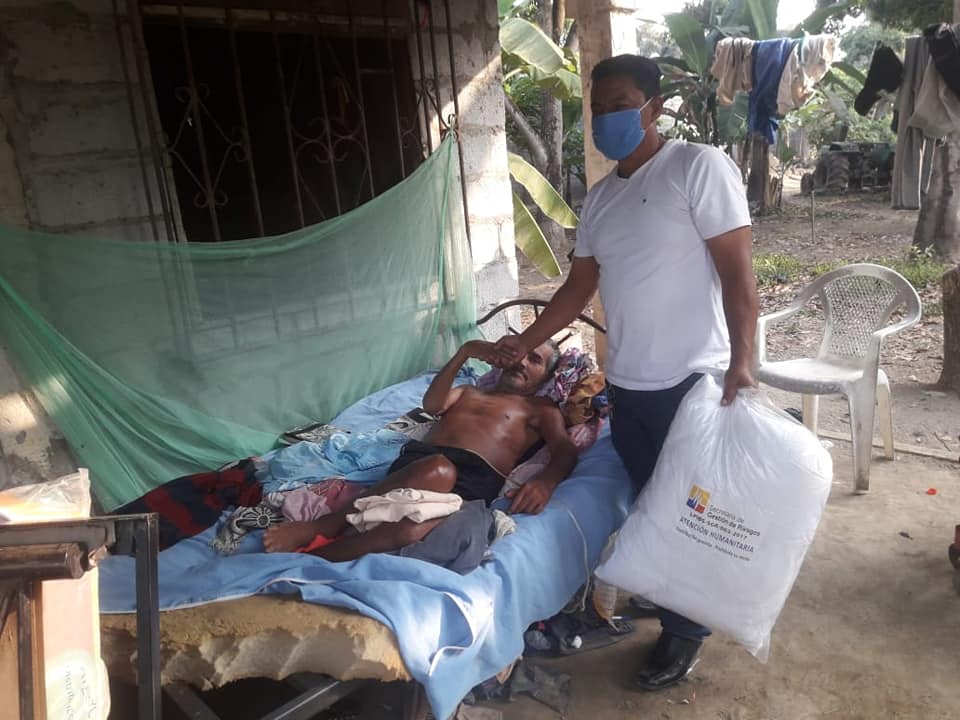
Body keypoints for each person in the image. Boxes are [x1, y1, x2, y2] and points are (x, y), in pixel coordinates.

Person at [493, 55, 759, 691]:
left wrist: (743, 362)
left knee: (688, 507)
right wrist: (525, 340)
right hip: (629, 384)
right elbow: (575, 290)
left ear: (654, 107)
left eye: (620, 105)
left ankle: (685, 633)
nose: (606, 118)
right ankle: (671, 597)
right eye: (598, 108)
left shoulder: (697, 168)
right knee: (651, 502)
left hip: (691, 378)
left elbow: (737, 275)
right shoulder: (602, 199)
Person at [263, 338, 577, 561]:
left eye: (535, 360)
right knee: (438, 469)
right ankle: (322, 529)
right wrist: (464, 353)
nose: (522, 362)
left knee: (412, 532)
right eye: (520, 353)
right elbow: (431, 405)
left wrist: (547, 480)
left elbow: (565, 449)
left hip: (475, 479)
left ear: (546, 378)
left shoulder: (540, 408)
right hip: (421, 465)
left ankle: (318, 557)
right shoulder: (469, 392)